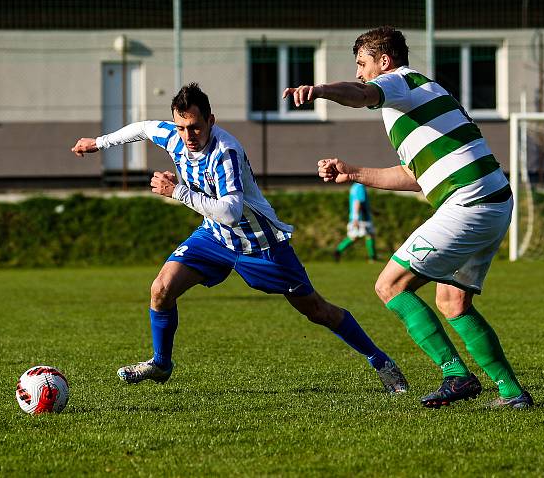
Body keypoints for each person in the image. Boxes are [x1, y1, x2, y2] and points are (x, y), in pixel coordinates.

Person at [72, 82, 407, 394]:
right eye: (181, 127)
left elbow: (231, 211)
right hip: (214, 239)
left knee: (317, 310)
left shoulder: (225, 152)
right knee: (161, 289)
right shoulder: (174, 135)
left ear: (211, 120)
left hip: (260, 245)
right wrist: (97, 143)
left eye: (196, 127)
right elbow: (144, 128)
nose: (188, 135)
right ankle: (161, 364)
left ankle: (381, 360)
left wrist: (176, 192)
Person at [283, 26, 533, 409]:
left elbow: (362, 93)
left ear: (384, 61)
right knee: (452, 302)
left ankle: (456, 375)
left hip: (469, 201)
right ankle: (512, 393)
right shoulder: (423, 95)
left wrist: (319, 90)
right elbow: (417, 177)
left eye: (362, 64)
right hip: (493, 200)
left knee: (391, 285)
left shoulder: (397, 82)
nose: (360, 73)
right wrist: (353, 173)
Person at [334, 182, 377, 262]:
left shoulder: (354, 187)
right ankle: (372, 258)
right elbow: (357, 202)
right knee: (369, 236)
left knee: (354, 237)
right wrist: (356, 218)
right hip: (362, 218)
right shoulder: (360, 187)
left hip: (357, 217)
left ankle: (338, 250)